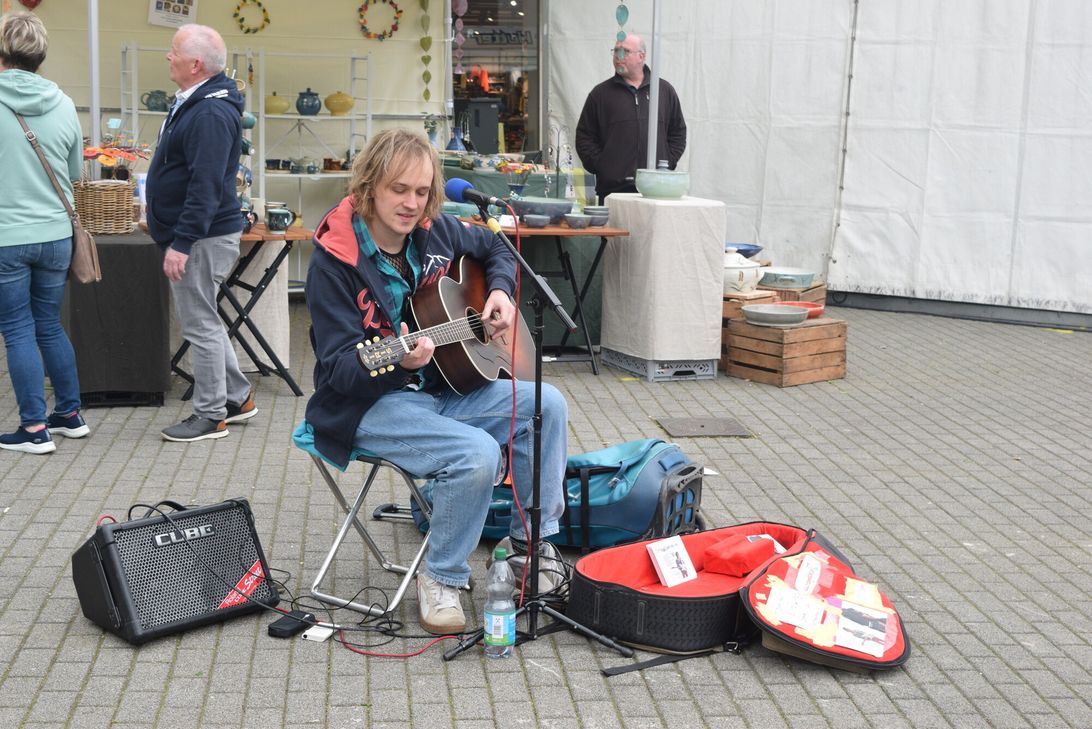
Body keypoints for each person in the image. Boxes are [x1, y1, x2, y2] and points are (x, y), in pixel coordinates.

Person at [304, 128, 569, 635]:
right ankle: (441, 576)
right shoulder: (334, 262)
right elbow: (337, 368)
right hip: (367, 405)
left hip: (444, 388)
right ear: (369, 188)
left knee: (546, 404)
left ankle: (531, 549)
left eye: (422, 192)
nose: (411, 204)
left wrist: (497, 294)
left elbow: (497, 249)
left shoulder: (437, 233)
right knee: (475, 453)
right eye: (398, 189)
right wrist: (398, 363)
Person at [145, 24, 256, 442]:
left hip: (202, 237)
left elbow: (206, 185)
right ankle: (238, 397)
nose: (167, 57)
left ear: (195, 64)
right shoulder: (199, 103)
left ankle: (211, 415)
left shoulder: (209, 111)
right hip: (203, 234)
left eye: (173, 51)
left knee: (200, 326)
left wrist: (182, 242)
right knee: (206, 319)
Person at [0, 12, 88, 455]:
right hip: (56, 234)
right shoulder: (65, 103)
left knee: (17, 330)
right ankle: (69, 414)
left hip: (7, 236)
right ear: (41, 55)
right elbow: (74, 172)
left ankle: (34, 429)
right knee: (48, 324)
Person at [575, 33, 687, 202]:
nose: (618, 57)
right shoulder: (600, 94)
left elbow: (678, 133)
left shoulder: (663, 91)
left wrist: (667, 162)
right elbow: (585, 137)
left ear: (641, 56)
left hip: (656, 189)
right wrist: (603, 166)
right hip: (613, 191)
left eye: (624, 52)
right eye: (616, 51)